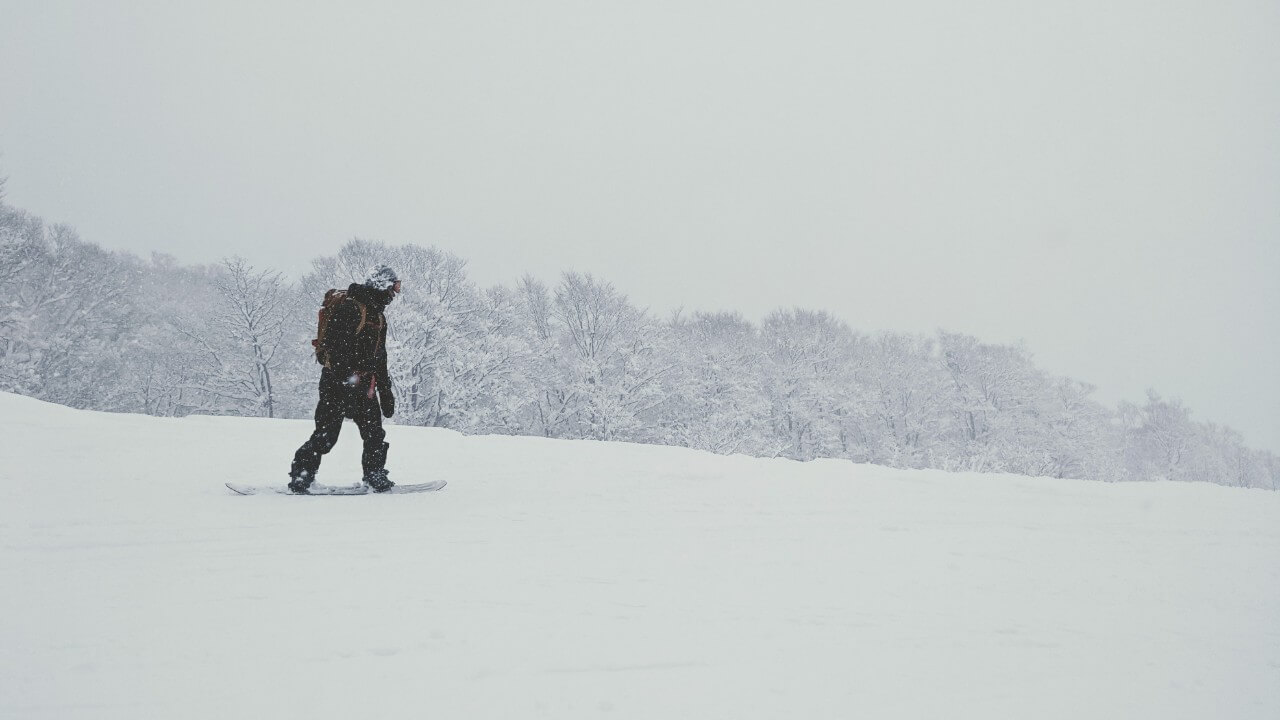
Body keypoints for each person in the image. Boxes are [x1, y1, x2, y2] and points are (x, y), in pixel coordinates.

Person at [288, 265, 400, 493]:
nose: (394, 295)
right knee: (326, 436)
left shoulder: (378, 316)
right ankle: (302, 474)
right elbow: (336, 350)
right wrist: (347, 381)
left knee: (374, 434)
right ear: (382, 287)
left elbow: (380, 356)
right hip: (336, 385)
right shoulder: (350, 309)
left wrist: (385, 391)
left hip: (363, 386)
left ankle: (375, 474)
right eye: (393, 288)